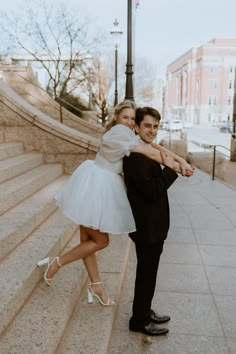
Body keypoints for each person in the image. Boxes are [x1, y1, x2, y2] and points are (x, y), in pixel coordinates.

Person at [37, 101, 193, 306]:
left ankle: (96, 286)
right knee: (101, 241)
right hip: (96, 187)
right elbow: (150, 151)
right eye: (125, 118)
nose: (128, 122)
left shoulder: (128, 135)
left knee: (87, 241)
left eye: (132, 119)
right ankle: (56, 263)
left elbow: (155, 146)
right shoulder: (118, 133)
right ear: (117, 118)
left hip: (98, 185)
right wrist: (177, 166)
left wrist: (180, 160)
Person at [123, 106, 191, 336]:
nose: (152, 130)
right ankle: (138, 321)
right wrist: (171, 169)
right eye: (147, 126)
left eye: (155, 126)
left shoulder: (145, 150)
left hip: (153, 226)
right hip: (147, 228)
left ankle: (144, 311)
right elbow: (152, 191)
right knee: (146, 274)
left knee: (149, 273)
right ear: (136, 126)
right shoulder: (135, 156)